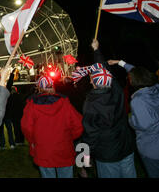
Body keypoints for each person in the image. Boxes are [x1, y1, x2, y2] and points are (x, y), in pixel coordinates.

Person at [73, 39, 136, 178]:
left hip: (107, 155)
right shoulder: (117, 91)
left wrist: (84, 160)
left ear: (95, 83)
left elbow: (90, 136)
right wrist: (96, 50)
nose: (89, 80)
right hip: (126, 147)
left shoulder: (91, 104)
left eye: (91, 79)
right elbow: (105, 70)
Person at [21, 75, 83, 178]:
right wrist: (69, 137)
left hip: (44, 150)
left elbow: (26, 127)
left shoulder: (32, 105)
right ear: (53, 86)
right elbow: (79, 124)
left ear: (40, 88)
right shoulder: (64, 102)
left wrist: (33, 141)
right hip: (63, 149)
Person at [108, 59, 159, 178]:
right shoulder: (156, 88)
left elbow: (144, 124)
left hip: (152, 150)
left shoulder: (138, 100)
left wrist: (130, 118)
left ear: (133, 81)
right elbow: (138, 72)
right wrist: (120, 62)